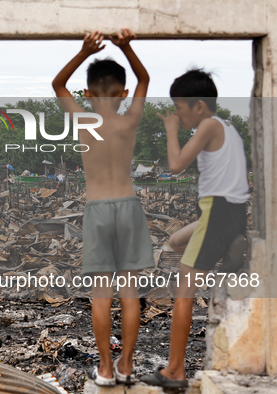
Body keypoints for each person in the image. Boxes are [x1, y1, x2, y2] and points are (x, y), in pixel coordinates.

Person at [52, 29, 153, 387]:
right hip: (128, 206)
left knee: (100, 295)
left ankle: (106, 370)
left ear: (88, 94)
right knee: (129, 292)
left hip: (96, 209)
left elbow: (57, 83)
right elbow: (144, 77)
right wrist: (126, 46)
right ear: (124, 94)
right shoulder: (129, 120)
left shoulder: (84, 121)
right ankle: (126, 366)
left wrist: (83, 52)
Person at [140, 70, 249, 388]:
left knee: (183, 294)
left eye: (180, 109)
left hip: (216, 213)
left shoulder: (208, 125)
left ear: (199, 106)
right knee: (175, 241)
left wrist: (171, 131)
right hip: (230, 214)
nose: (177, 115)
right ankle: (227, 248)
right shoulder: (229, 128)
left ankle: (174, 371)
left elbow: (175, 165)